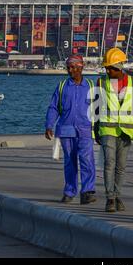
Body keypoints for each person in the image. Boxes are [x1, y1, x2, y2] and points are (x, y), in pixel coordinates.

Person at [95, 48, 133, 212]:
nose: (108, 71)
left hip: (126, 130)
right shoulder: (101, 82)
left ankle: (117, 195)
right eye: (106, 68)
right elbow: (96, 107)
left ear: (120, 67)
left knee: (121, 166)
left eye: (111, 68)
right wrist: (95, 129)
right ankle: (110, 198)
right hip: (107, 129)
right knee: (109, 163)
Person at [45, 54, 96, 205]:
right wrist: (49, 125)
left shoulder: (92, 87)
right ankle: (69, 191)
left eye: (73, 67)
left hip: (86, 129)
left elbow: (99, 109)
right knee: (70, 162)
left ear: (81, 67)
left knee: (87, 160)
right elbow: (54, 107)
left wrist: (100, 129)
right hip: (66, 130)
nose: (70, 70)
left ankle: (87, 191)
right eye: (68, 68)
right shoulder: (62, 87)